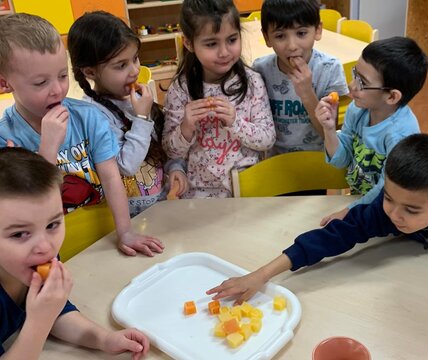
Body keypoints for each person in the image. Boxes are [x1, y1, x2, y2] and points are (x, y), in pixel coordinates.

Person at [207, 105, 428, 303]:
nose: (393, 215)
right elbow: (331, 237)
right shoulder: (386, 209)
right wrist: (261, 274)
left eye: (411, 210)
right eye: (390, 198)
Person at [0, 13, 163, 257]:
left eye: (62, 76)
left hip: (101, 240)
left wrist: (126, 232)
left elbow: (111, 178)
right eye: (41, 82)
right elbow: (22, 209)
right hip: (49, 251)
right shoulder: (6, 137)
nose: (57, 90)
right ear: (5, 84)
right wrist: (47, 150)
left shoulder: (88, 117)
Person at [0, 147, 150, 358]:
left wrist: (103, 339)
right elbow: (45, 320)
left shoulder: (35, 259)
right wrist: (38, 324)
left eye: (52, 224)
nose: (45, 246)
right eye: (19, 234)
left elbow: (57, 313)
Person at [67, 11, 188, 217]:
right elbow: (125, 166)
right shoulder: (92, 114)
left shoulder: (140, 99)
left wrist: (176, 168)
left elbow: (163, 144)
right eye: (121, 65)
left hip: (161, 209)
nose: (134, 70)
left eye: (135, 58)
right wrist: (141, 119)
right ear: (89, 72)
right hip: (126, 220)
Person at [163, 0, 275, 198]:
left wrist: (235, 122)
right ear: (188, 43)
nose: (224, 52)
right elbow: (171, 151)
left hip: (249, 191)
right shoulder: (180, 90)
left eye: (232, 40)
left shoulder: (252, 82)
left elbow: (267, 139)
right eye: (211, 44)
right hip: (199, 196)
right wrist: (186, 128)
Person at [316, 36, 428, 226]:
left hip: (389, 213)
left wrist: (348, 212)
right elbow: (342, 159)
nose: (351, 86)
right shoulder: (357, 109)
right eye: (355, 74)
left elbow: (388, 190)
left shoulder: (400, 136)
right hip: (361, 200)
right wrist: (329, 129)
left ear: (392, 96)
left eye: (362, 82)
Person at [252, 0, 349, 155]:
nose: (292, 46)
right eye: (280, 36)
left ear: (317, 30)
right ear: (267, 37)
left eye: (301, 33)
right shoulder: (260, 69)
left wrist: (306, 92)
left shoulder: (330, 69)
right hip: (275, 159)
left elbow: (328, 133)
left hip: (317, 156)